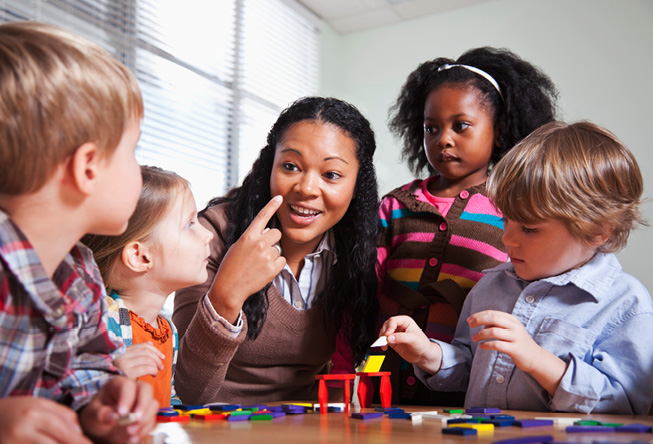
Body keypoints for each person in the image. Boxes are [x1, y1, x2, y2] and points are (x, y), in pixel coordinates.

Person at [380, 121, 653, 414]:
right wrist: (429, 354)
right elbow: (471, 366)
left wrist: (536, 359)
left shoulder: (627, 304)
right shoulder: (491, 287)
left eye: (530, 229)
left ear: (598, 231)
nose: (508, 238)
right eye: (506, 220)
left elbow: (626, 405)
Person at [0, 22, 158, 443]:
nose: (139, 170)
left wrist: (103, 399)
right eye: (133, 149)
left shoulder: (80, 273)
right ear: (88, 167)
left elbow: (84, 367)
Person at [373, 46, 558, 405]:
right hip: (384, 377)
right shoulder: (394, 206)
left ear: (500, 131)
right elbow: (365, 286)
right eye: (431, 127)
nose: (443, 139)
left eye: (461, 126)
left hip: (467, 384)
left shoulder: (514, 208)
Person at [172, 96, 379, 404]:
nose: (307, 188)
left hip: (306, 430)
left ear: (356, 185)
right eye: (291, 166)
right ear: (270, 167)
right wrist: (227, 294)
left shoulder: (355, 250)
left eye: (331, 174)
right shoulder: (212, 234)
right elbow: (191, 390)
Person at [83, 166, 213, 408]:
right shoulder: (102, 323)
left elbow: (166, 400)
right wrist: (112, 378)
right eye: (190, 224)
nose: (208, 234)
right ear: (141, 257)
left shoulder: (166, 329)